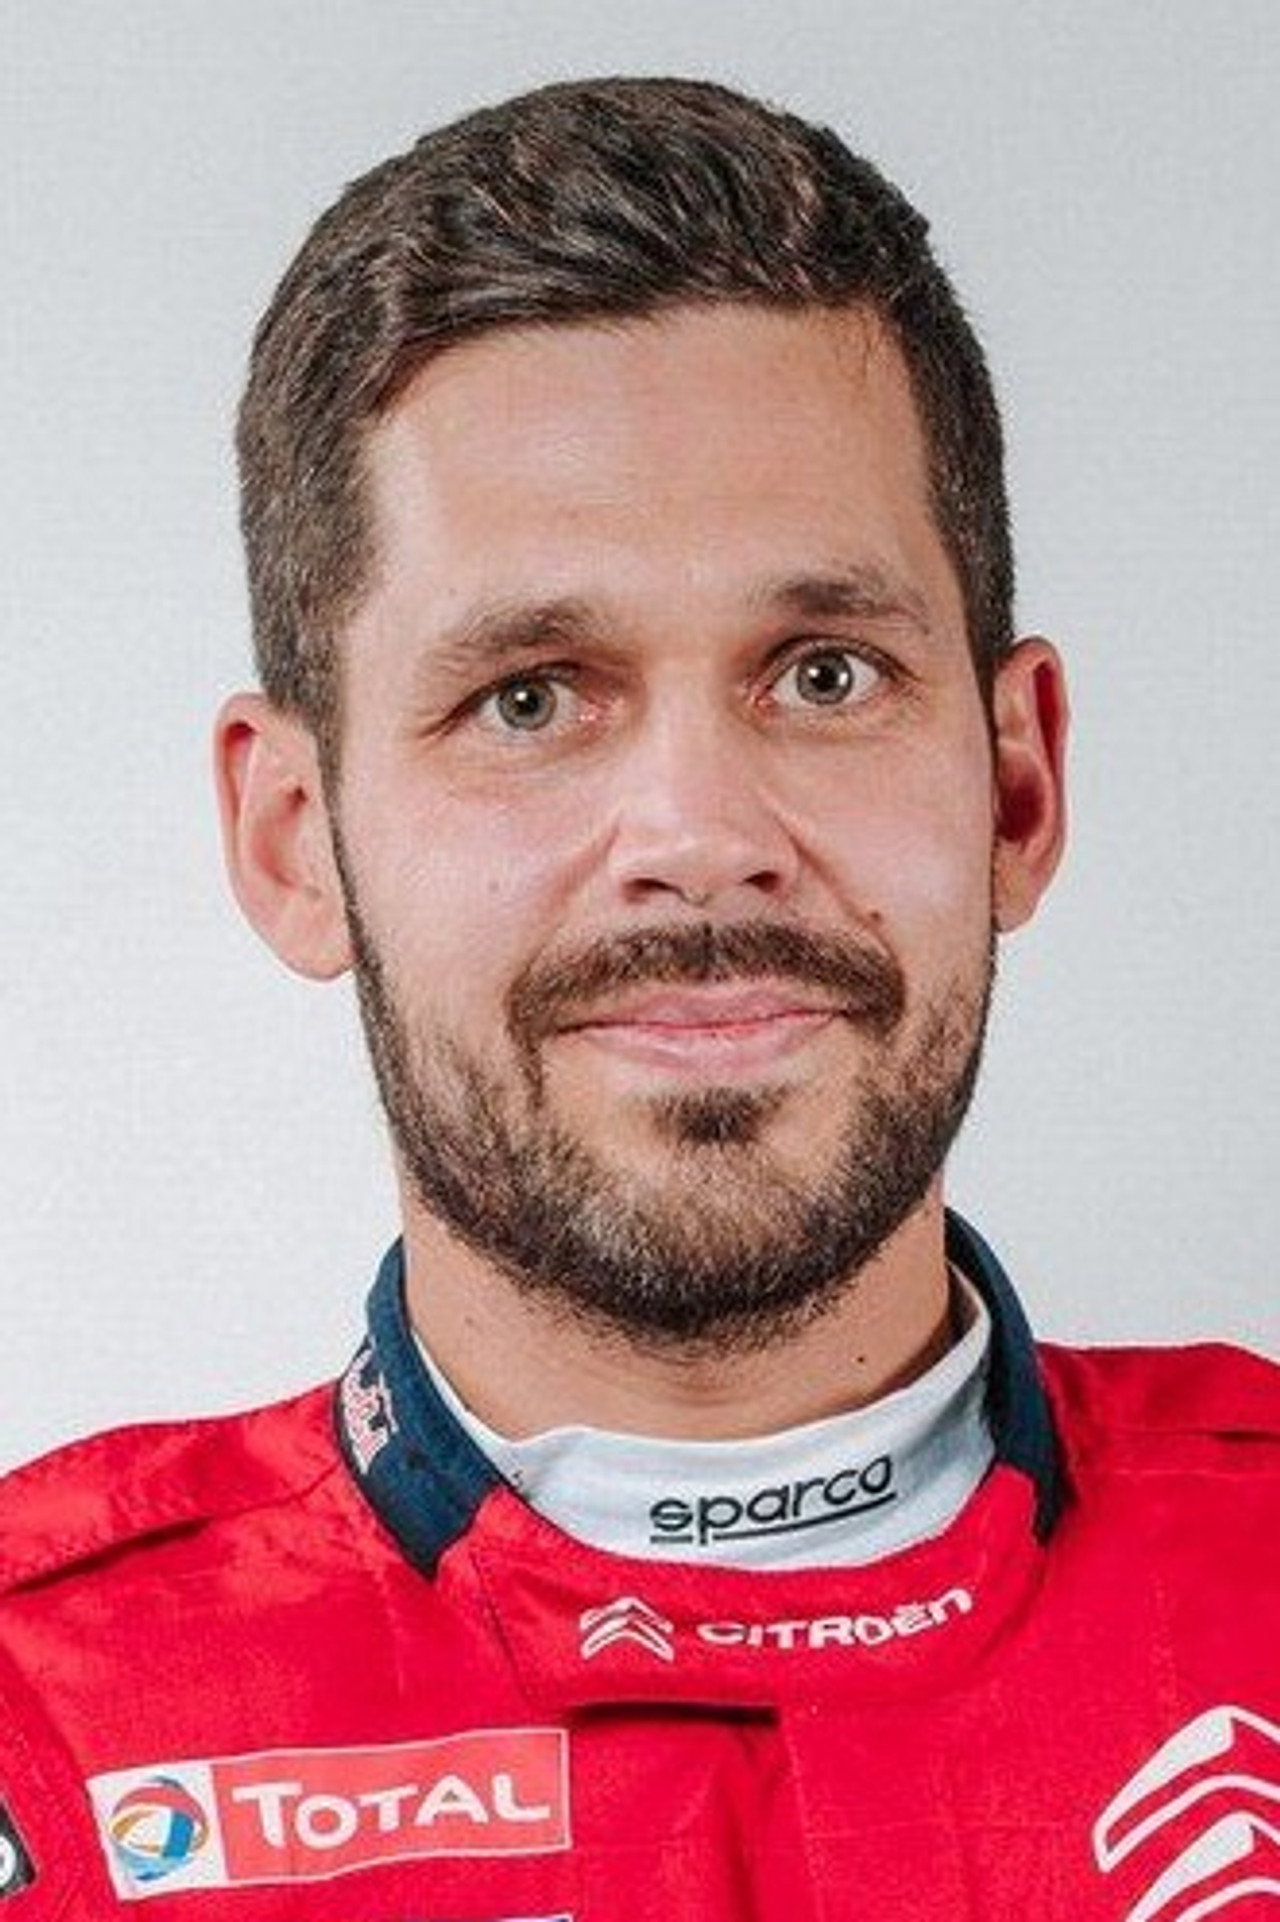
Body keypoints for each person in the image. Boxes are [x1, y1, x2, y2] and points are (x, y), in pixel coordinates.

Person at [0, 74, 1276, 1922]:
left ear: (1018, 786)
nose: (700, 839)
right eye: (529, 697)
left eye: (825, 674)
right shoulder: (43, 1725)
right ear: (295, 841)